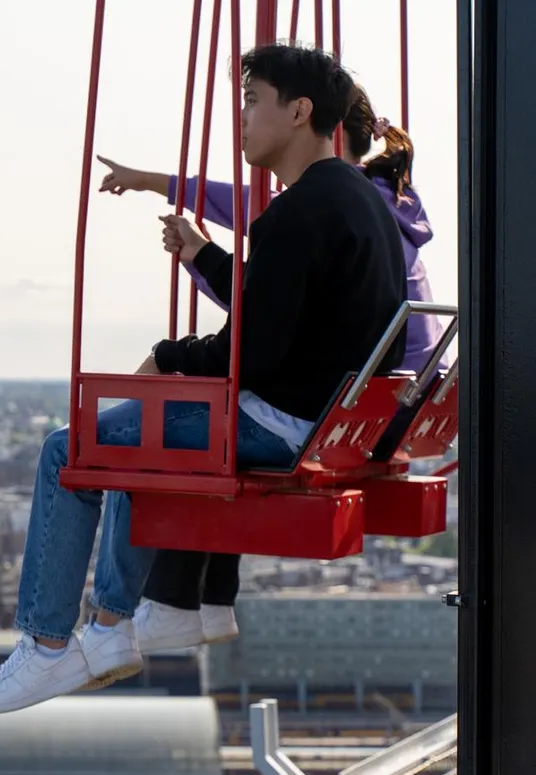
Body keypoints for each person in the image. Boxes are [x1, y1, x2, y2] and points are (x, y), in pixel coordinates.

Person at [0, 43, 406, 715]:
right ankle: (134, 616)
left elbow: (249, 351)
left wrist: (168, 354)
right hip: (329, 424)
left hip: (282, 424)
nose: (242, 118)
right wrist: (204, 258)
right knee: (141, 433)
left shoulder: (295, 214)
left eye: (252, 101)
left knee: (72, 449)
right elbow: (281, 308)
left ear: (299, 111)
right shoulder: (358, 201)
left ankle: (49, 644)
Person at [91, 84, 441, 654]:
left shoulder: (333, 205)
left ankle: (164, 604)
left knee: (195, 427)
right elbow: (277, 300)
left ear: (319, 127)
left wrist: (157, 188)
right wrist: (199, 248)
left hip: (349, 413)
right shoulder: (386, 205)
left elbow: (268, 302)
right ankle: (202, 600)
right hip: (393, 407)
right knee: (240, 410)